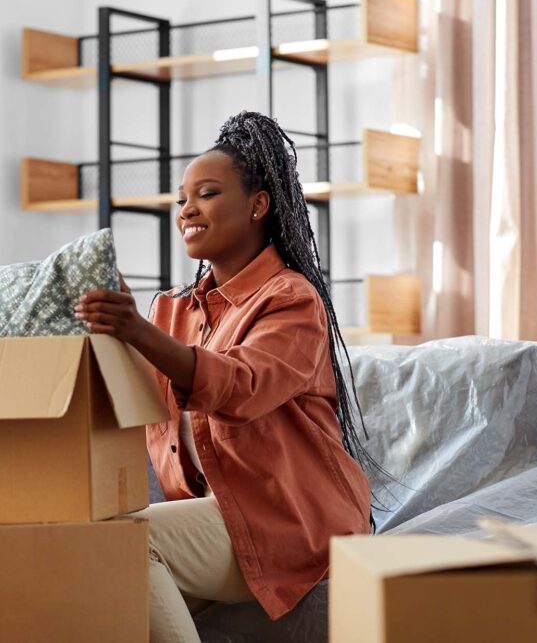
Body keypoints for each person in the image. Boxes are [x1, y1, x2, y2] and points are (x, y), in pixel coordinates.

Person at [74, 111, 372, 643]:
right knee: (77, 580)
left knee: (127, 543)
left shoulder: (292, 301)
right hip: (219, 517)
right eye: (181, 199)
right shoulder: (174, 311)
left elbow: (239, 387)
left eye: (206, 194)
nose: (187, 209)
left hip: (290, 520)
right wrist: (106, 326)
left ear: (258, 204)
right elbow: (130, 398)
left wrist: (137, 331)